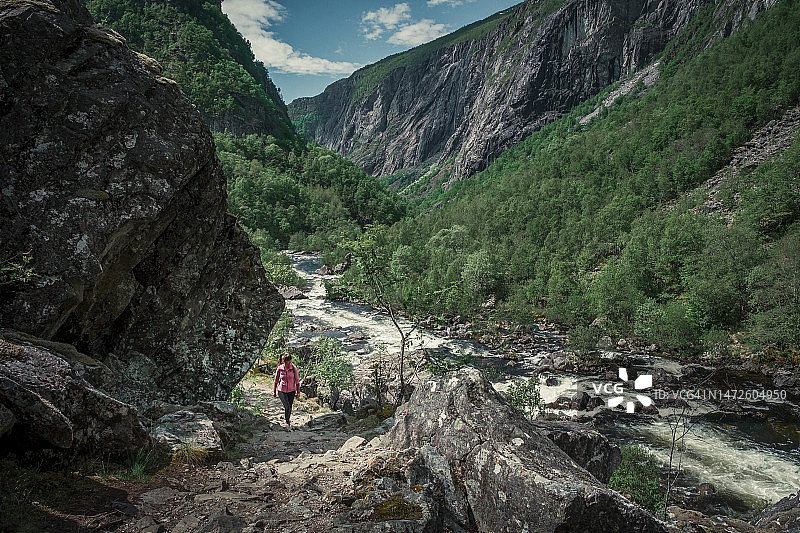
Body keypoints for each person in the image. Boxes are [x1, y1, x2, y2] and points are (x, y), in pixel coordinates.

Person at [273, 353, 300, 429]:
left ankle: (288, 419)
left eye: (289, 360)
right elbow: (276, 380)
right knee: (287, 406)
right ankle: (287, 422)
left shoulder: (294, 369)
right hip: (282, 390)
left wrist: (298, 392)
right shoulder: (280, 368)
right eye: (286, 361)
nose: (288, 362)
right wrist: (274, 391)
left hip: (291, 391)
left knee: (290, 407)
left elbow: (297, 381)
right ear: (283, 361)